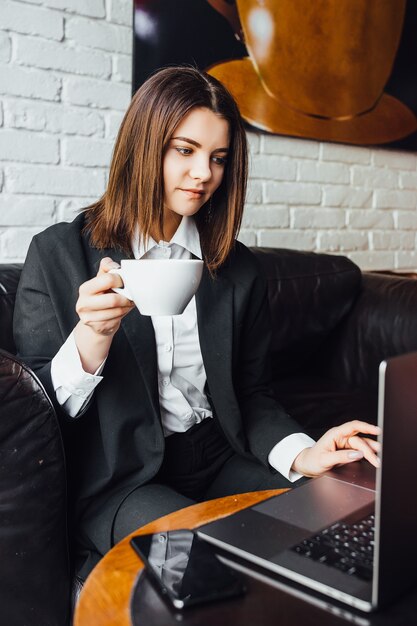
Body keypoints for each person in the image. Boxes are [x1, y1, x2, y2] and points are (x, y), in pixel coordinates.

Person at [13, 66, 380, 582]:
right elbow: (33, 421)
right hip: (122, 481)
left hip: (217, 455)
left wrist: (304, 454)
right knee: (200, 573)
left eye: (218, 158)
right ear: (144, 147)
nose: (204, 173)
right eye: (184, 150)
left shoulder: (236, 267)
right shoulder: (59, 255)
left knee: (336, 523)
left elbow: (252, 395)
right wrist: (90, 339)